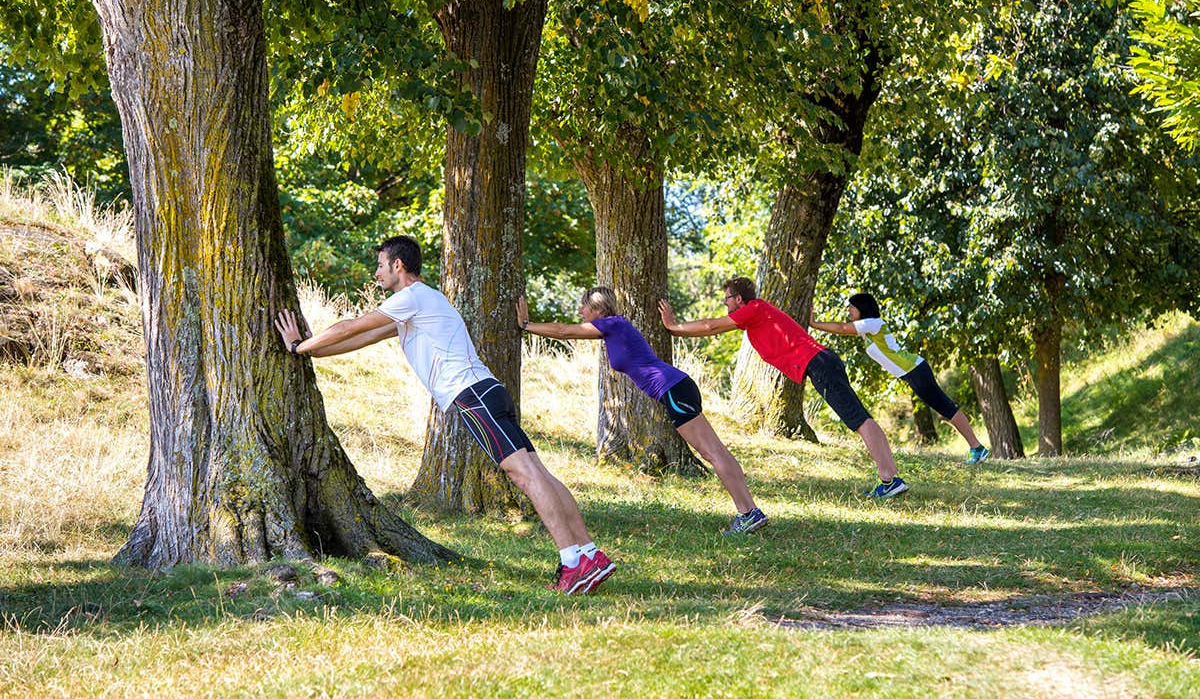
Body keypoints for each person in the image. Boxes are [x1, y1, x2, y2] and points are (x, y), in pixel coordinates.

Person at [274, 235, 615, 595]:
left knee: (525, 475)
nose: (376, 274)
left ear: (398, 266)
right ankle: (589, 554)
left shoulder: (413, 297)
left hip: (473, 396)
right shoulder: (418, 304)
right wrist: (312, 350)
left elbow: (352, 325)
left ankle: (573, 562)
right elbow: (360, 339)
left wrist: (298, 345)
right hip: (487, 391)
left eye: (380, 265)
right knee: (538, 471)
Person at [517, 287, 768, 534]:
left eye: (584, 306)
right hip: (676, 388)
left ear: (599, 309)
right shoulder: (612, 328)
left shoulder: (612, 324)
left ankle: (747, 513)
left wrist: (526, 325)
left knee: (712, 452)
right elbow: (569, 331)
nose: (580, 310)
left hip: (674, 389)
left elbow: (563, 331)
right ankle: (750, 512)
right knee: (714, 451)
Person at [659, 277, 909, 498]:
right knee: (859, 417)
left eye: (727, 299)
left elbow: (710, 326)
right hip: (820, 363)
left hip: (819, 363)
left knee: (859, 419)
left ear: (738, 298)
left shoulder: (754, 308)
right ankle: (890, 478)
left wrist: (674, 327)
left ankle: (890, 479)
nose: (725, 304)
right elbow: (716, 328)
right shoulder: (756, 314)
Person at [810, 292, 990, 464]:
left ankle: (977, 447)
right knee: (944, 407)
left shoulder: (873, 323)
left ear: (862, 308)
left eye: (852, 306)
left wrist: (814, 323)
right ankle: (976, 447)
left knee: (945, 407)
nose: (849, 310)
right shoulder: (868, 329)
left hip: (915, 370)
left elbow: (842, 328)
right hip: (911, 373)